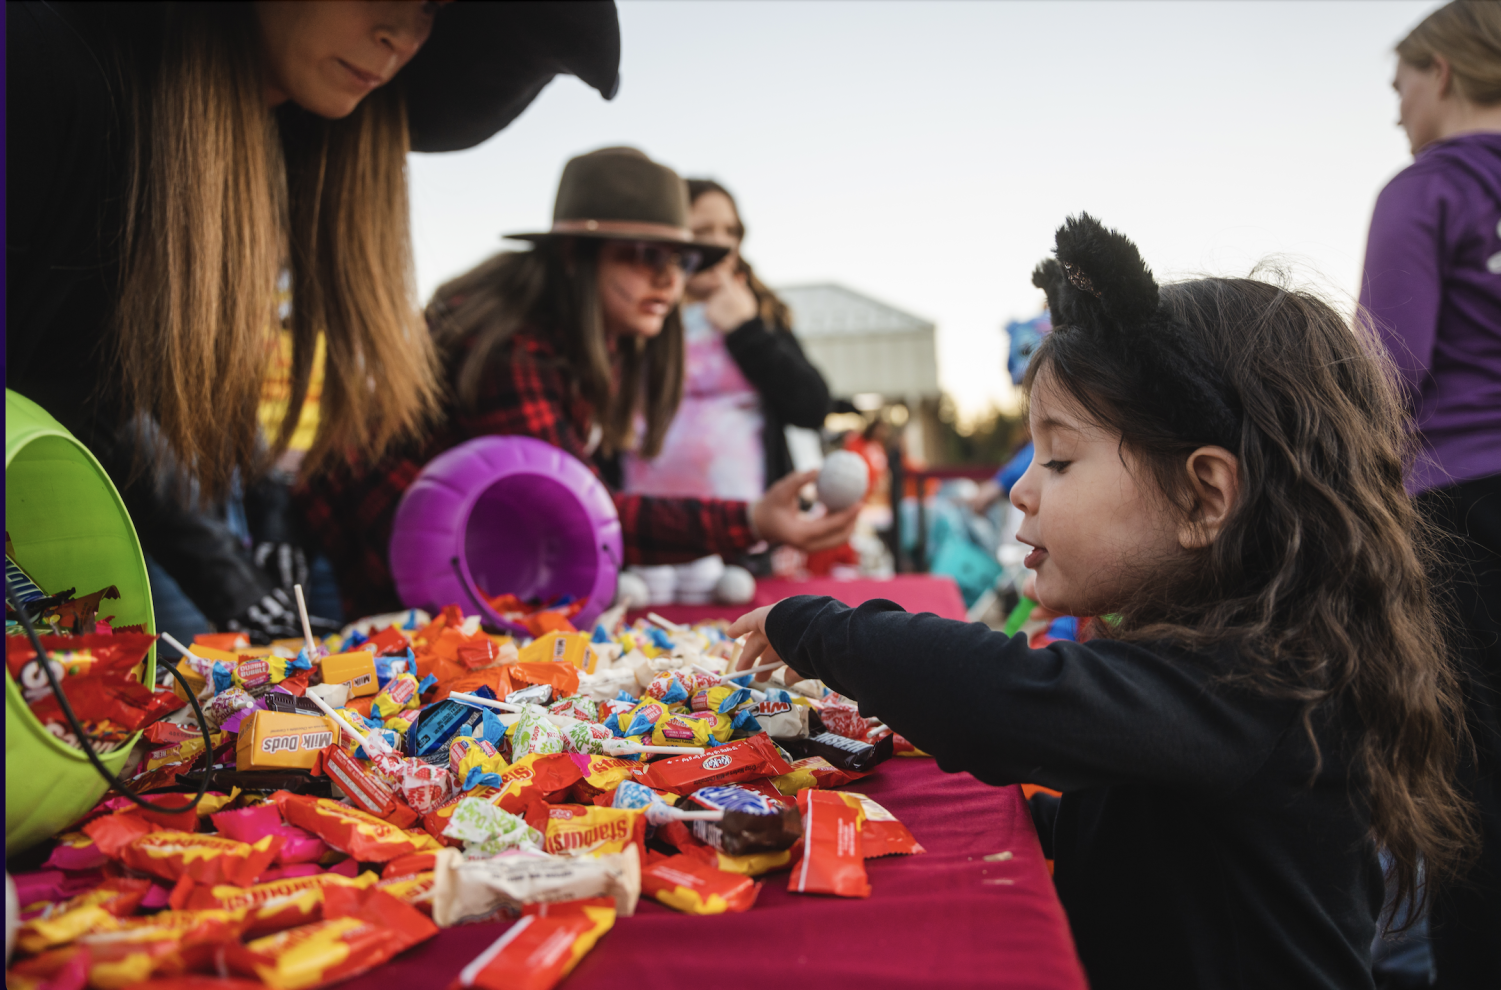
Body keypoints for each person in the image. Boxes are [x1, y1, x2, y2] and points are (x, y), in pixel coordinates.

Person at [728, 215, 1476, 990]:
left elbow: (1006, 701)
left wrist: (816, 629)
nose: (1020, 491)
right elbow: (1156, 839)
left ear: (1202, 495)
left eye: (1057, 459)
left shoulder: (1260, 686)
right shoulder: (1224, 676)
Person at [5, 1, 620, 642]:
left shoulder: (280, 152)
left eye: (434, 9)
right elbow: (71, 383)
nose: (404, 36)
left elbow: (93, 386)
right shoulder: (40, 61)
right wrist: (220, 565)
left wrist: (253, 534)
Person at [298, 147, 860, 618]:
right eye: (644, 256)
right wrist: (751, 520)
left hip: (424, 565)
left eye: (681, 260)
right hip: (345, 564)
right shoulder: (513, 346)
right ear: (575, 256)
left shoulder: (591, 335)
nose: (669, 278)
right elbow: (577, 518)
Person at [1360, 3, 1501, 985]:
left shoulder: (1424, 192)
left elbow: (1384, 375)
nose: (1396, 108)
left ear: (1441, 72)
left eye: (1399, 84)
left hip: (1457, 514)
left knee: (1465, 788)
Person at [622, 179, 830, 500]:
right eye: (703, 232)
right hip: (647, 524)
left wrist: (746, 330)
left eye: (731, 232)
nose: (720, 245)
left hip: (744, 528)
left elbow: (812, 406)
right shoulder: (640, 313)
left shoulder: (761, 314)